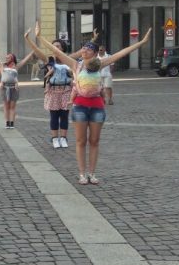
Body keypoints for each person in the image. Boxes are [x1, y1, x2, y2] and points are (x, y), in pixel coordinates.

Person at [34, 27, 151, 185]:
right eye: (83, 48)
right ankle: (82, 173)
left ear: (95, 53)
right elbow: (56, 50)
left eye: (88, 49)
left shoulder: (100, 64)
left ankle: (92, 173)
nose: (84, 50)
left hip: (97, 107)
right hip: (80, 107)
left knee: (94, 141)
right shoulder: (76, 65)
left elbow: (122, 52)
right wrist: (40, 37)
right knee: (81, 141)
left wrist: (142, 42)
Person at [26, 22, 93, 149]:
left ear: (62, 48)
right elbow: (36, 50)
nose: (55, 48)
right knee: (54, 116)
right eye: (53, 46)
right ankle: (54, 138)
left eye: (57, 46)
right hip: (53, 90)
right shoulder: (49, 60)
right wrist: (28, 39)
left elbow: (81, 52)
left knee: (64, 115)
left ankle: (63, 138)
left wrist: (93, 40)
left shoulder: (69, 59)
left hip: (67, 90)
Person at [0, 44, 35, 129]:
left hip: (14, 88)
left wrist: (33, 51)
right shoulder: (2, 65)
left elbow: (25, 59)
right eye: (6, 57)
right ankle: (7, 122)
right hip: (4, 88)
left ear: (12, 58)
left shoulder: (16, 66)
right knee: (6, 106)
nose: (6, 58)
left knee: (12, 106)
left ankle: (12, 123)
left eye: (8, 57)